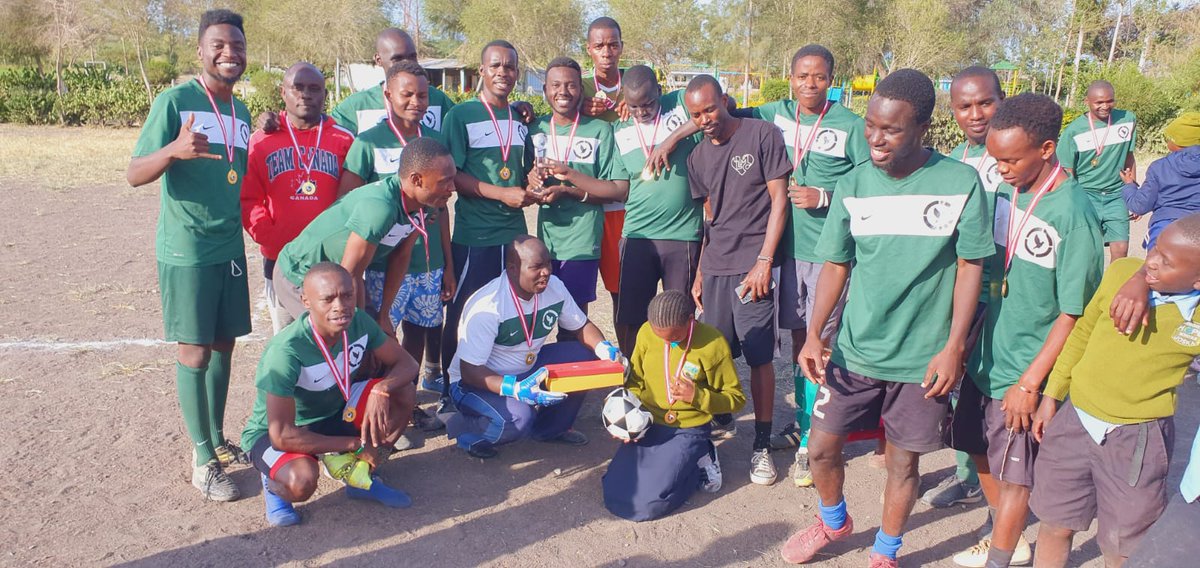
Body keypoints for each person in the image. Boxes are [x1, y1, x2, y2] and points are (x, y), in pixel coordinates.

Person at [783, 69, 995, 567]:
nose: (875, 139)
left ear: (922, 127)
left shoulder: (959, 182)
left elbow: (971, 266)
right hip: (854, 350)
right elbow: (836, 263)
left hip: (922, 361)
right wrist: (814, 334)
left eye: (891, 130)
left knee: (902, 464)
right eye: (871, 126)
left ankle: (886, 551)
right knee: (820, 450)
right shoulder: (853, 182)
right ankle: (834, 522)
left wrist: (953, 348)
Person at [947, 93, 1104, 568]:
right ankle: (1007, 535)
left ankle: (1000, 557)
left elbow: (1074, 313)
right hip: (984, 357)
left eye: (1011, 159)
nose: (1001, 169)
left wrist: (1032, 383)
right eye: (995, 159)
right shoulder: (1003, 191)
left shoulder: (1073, 214)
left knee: (1017, 477)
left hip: (1024, 369)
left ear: (1047, 149)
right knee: (974, 447)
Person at [126, 8, 253, 501]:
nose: (229, 53)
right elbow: (135, 173)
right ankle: (202, 460)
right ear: (200, 50)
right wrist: (171, 152)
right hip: (188, 248)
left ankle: (217, 439)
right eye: (219, 45)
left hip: (229, 245)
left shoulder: (240, 112)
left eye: (237, 46)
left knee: (225, 344)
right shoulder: (175, 100)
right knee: (195, 351)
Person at [1029, 213, 1200, 568]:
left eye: (1166, 262)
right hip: (1075, 419)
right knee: (1055, 523)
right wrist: (1051, 396)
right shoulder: (1123, 273)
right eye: (1155, 248)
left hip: (1138, 439)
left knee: (1123, 545)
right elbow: (1082, 333)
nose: (1152, 260)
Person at [734, 44, 870, 489]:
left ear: (832, 80)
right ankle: (802, 423)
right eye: (801, 76)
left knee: (821, 343)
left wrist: (824, 197)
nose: (809, 84)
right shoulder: (771, 113)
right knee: (797, 342)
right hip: (780, 251)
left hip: (825, 254)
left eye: (819, 77)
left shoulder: (850, 125)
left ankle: (816, 441)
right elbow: (722, 108)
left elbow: (870, 184)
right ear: (789, 78)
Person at [240, 262, 420, 526]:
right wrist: (354, 445)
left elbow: (409, 365)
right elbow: (281, 435)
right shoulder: (285, 352)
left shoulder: (358, 321)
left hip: (335, 411)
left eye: (347, 295)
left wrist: (381, 390)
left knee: (402, 391)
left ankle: (360, 477)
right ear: (306, 301)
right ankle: (273, 482)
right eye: (328, 299)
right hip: (281, 432)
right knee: (301, 482)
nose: (340, 305)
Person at [685, 75, 791, 486]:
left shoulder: (762, 134)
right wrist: (699, 272)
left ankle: (761, 447)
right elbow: (709, 217)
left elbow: (780, 199)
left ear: (724, 101)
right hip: (715, 266)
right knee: (716, 354)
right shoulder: (696, 158)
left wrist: (765, 261)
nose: (705, 120)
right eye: (696, 115)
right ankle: (720, 420)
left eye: (709, 109)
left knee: (761, 356)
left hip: (754, 267)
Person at [444, 236, 626, 459]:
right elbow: (470, 371)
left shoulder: (554, 287)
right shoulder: (488, 306)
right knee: (519, 419)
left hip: (527, 366)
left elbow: (581, 326)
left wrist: (603, 348)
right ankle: (466, 429)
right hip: (474, 382)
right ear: (512, 269)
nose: (546, 272)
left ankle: (549, 430)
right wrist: (515, 389)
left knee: (585, 360)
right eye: (536, 267)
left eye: (548, 264)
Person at [340, 61, 453, 399]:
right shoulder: (367, 142)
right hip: (382, 265)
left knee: (418, 333)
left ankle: (408, 399)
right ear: (388, 94)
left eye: (422, 95)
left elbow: (443, 207)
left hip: (427, 264)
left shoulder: (436, 142)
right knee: (380, 335)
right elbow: (348, 203)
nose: (416, 102)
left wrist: (446, 263)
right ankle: (377, 401)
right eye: (407, 94)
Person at [921, 65, 1006, 511]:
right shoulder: (954, 161)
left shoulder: (1025, 152)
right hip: (967, 290)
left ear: (1002, 97)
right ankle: (968, 476)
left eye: (985, 102)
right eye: (964, 106)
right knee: (965, 383)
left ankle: (1011, 490)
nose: (976, 114)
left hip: (1013, 294)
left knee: (1000, 390)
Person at [272, 137, 454, 339]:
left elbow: (401, 256)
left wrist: (383, 316)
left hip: (343, 275)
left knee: (375, 341)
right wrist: (359, 332)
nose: (453, 188)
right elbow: (348, 275)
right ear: (416, 180)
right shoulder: (379, 208)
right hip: (301, 273)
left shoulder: (425, 205)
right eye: (444, 181)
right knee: (335, 344)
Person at [440, 40, 537, 391]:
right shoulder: (461, 115)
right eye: (495, 66)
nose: (502, 73)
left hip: (513, 235)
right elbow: (452, 175)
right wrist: (503, 193)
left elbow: (524, 171)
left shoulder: (522, 118)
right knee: (465, 313)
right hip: (475, 235)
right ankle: (452, 388)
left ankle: (495, 385)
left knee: (508, 312)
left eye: (509, 67)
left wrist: (532, 186)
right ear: (481, 70)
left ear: (517, 73)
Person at [602, 290, 745, 521]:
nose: (666, 343)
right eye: (661, 338)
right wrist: (629, 419)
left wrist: (697, 396)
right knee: (614, 490)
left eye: (673, 338)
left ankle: (702, 454)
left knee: (648, 505)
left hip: (688, 429)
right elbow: (636, 380)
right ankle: (680, 461)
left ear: (691, 321)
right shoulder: (647, 333)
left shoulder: (714, 343)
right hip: (648, 422)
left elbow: (736, 399)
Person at [242, 62, 355, 334]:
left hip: (329, 259)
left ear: (325, 96)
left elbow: (353, 198)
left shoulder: (343, 139)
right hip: (281, 258)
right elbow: (248, 198)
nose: (306, 94)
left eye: (314, 89)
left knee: (333, 334)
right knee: (289, 336)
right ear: (283, 93)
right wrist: (270, 236)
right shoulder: (261, 140)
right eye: (298, 88)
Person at [610, 65, 704, 353]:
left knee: (679, 316)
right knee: (632, 317)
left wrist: (670, 139)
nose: (641, 112)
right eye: (634, 106)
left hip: (683, 234)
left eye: (648, 104)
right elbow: (619, 186)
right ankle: (634, 377)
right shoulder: (620, 128)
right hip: (637, 235)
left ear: (660, 92)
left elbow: (713, 109)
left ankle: (678, 378)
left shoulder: (679, 104)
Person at [527, 57, 627, 323]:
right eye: (555, 85)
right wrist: (532, 183)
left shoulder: (600, 130)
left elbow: (615, 190)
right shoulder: (533, 129)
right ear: (545, 89)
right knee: (536, 318)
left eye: (571, 85)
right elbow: (521, 182)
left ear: (581, 91)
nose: (563, 92)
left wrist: (570, 190)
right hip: (544, 242)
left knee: (573, 320)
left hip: (582, 242)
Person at [580, 16, 629, 318]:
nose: (606, 51)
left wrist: (637, 107)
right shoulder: (580, 86)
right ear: (589, 49)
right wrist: (578, 106)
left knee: (620, 289)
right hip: (583, 202)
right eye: (599, 46)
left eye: (613, 45)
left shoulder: (636, 82)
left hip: (621, 202)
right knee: (577, 292)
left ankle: (628, 360)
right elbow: (555, 104)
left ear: (621, 47)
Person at [1057, 80, 1137, 260]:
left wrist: (1134, 193)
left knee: (1121, 249)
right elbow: (1067, 171)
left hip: (1117, 194)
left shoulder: (1127, 120)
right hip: (1087, 195)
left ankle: (1115, 288)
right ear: (1087, 101)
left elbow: (1129, 157)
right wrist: (1071, 203)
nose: (1105, 106)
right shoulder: (1073, 131)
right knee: (1088, 252)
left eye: (1110, 101)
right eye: (1099, 102)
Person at [330, 28, 455, 135]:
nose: (407, 64)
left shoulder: (438, 100)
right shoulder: (357, 106)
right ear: (378, 60)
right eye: (398, 59)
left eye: (412, 57)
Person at [1121, 111, 1200, 250]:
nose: (1167, 141)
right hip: (1197, 228)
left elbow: (1139, 206)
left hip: (1166, 229)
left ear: (1178, 142)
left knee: (1155, 268)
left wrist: (1129, 185)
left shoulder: (1160, 166)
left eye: (1169, 138)